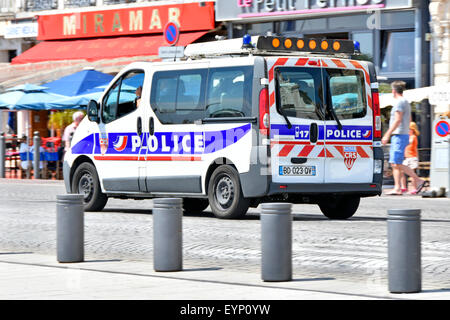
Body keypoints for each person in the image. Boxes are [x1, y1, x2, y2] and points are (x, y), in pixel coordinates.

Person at [382, 81, 425, 195]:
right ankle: (397, 188)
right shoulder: (406, 102)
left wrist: (387, 134)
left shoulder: (399, 102)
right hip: (402, 134)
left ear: (394, 91)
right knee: (394, 163)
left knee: (396, 162)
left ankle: (418, 180)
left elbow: (397, 120)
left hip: (399, 135)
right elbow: (409, 119)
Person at [400, 122, 422, 194]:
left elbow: (409, 142)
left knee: (412, 174)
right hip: (407, 158)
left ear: (412, 130)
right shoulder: (409, 136)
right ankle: (403, 187)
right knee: (402, 172)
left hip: (412, 158)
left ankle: (414, 189)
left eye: (409, 129)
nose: (408, 130)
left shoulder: (413, 137)